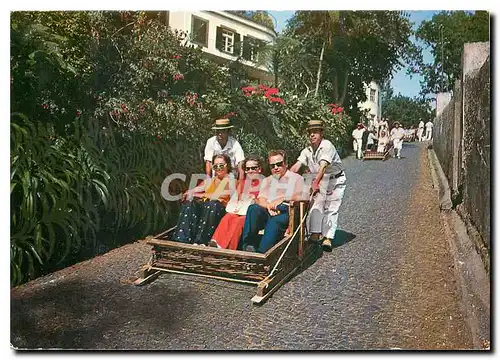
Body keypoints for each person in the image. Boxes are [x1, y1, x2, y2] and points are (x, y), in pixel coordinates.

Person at [290, 120, 346, 252]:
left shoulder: (327, 146)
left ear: (322, 133)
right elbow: (296, 166)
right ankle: (315, 234)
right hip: (320, 179)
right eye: (310, 133)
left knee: (331, 207)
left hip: (335, 179)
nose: (312, 135)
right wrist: (284, 179)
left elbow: (323, 167)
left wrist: (314, 184)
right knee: (316, 205)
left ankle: (328, 238)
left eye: (315, 132)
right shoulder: (307, 150)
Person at [240, 150, 306, 253]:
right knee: (253, 209)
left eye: (279, 164)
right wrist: (269, 206)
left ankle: (262, 253)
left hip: (287, 211)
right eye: (272, 165)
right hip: (270, 210)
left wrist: (283, 198)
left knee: (275, 221)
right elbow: (261, 199)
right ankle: (248, 246)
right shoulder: (267, 180)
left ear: (286, 164)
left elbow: (305, 195)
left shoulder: (296, 178)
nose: (275, 168)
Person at [172, 154, 233, 245]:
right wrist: (189, 192)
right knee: (190, 203)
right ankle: (182, 239)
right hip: (206, 210)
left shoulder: (232, 180)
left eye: (221, 165)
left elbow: (221, 195)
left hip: (219, 211)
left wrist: (201, 195)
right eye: (215, 166)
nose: (218, 168)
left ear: (227, 165)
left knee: (213, 203)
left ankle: (202, 241)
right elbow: (195, 190)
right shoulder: (210, 181)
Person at [209, 156, 264, 250]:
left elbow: (264, 201)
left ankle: (228, 249)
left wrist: (255, 199)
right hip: (242, 210)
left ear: (259, 169)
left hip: (255, 214)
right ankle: (215, 242)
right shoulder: (243, 183)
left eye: (253, 168)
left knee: (239, 221)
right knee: (228, 217)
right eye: (247, 169)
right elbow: (237, 197)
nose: (250, 171)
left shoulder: (264, 182)